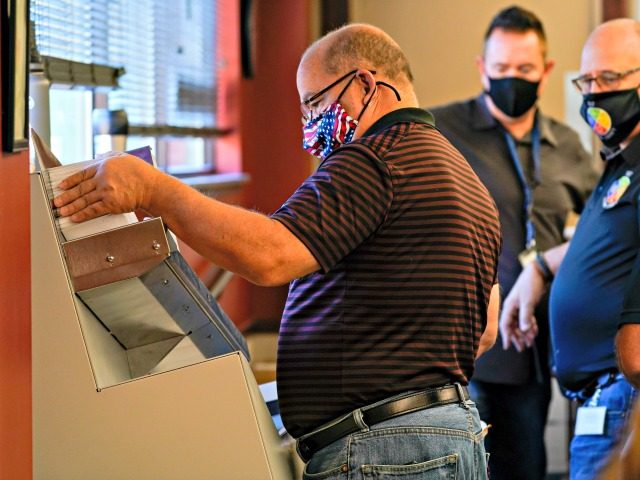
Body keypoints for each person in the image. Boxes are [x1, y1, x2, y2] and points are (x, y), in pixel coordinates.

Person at [54, 24, 501, 479]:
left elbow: (270, 254)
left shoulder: (375, 159)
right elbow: (485, 330)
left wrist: (153, 190)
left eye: (315, 103)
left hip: (387, 450)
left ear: (366, 83)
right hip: (448, 438)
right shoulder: (465, 180)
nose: (311, 124)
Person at [429, 6, 597, 479]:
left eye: (524, 70)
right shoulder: (441, 132)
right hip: (459, 346)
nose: (511, 80)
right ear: (482, 69)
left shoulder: (566, 144)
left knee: (524, 464)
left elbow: (603, 219)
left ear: (545, 72)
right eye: (500, 69)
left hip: (534, 346)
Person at [500, 18, 640, 480]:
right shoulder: (621, 162)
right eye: (588, 80)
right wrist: (539, 267)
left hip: (624, 397)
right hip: (600, 399)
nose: (595, 93)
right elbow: (602, 244)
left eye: (612, 79)